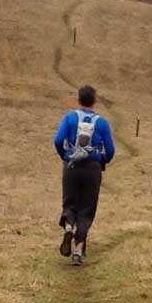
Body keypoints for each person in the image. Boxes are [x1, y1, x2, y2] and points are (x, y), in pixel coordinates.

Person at [52, 85, 115, 265]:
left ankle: (69, 226)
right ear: (94, 101)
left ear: (78, 99)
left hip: (71, 166)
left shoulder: (70, 118)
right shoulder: (102, 123)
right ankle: (78, 251)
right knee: (87, 209)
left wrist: (65, 155)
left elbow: (57, 140)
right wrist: (102, 159)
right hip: (92, 168)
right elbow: (110, 150)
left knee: (70, 203)